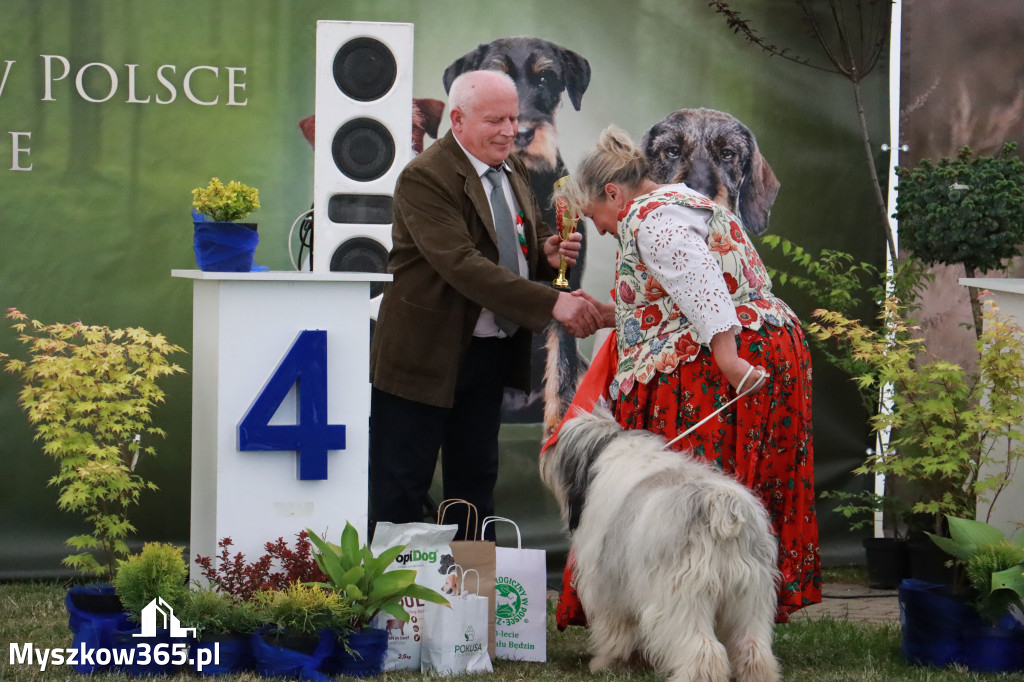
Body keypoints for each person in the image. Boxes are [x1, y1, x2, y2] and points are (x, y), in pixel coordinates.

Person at [555, 125, 820, 622]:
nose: (603, 230)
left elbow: (705, 289)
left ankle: (699, 615)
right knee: (729, 494)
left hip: (732, 356)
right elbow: (681, 292)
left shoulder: (650, 222)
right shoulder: (678, 201)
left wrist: (727, 359)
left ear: (614, 193)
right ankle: (731, 617)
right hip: (765, 341)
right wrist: (614, 314)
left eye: (596, 217)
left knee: (694, 500)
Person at [368, 70, 602, 542]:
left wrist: (546, 252)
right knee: (401, 486)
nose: (509, 130)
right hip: (422, 357)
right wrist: (552, 303)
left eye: (513, 118)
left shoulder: (511, 169)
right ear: (456, 119)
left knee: (475, 485)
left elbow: (512, 241)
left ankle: (472, 604)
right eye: (495, 120)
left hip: (488, 354)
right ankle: (388, 611)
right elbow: (463, 265)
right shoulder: (424, 177)